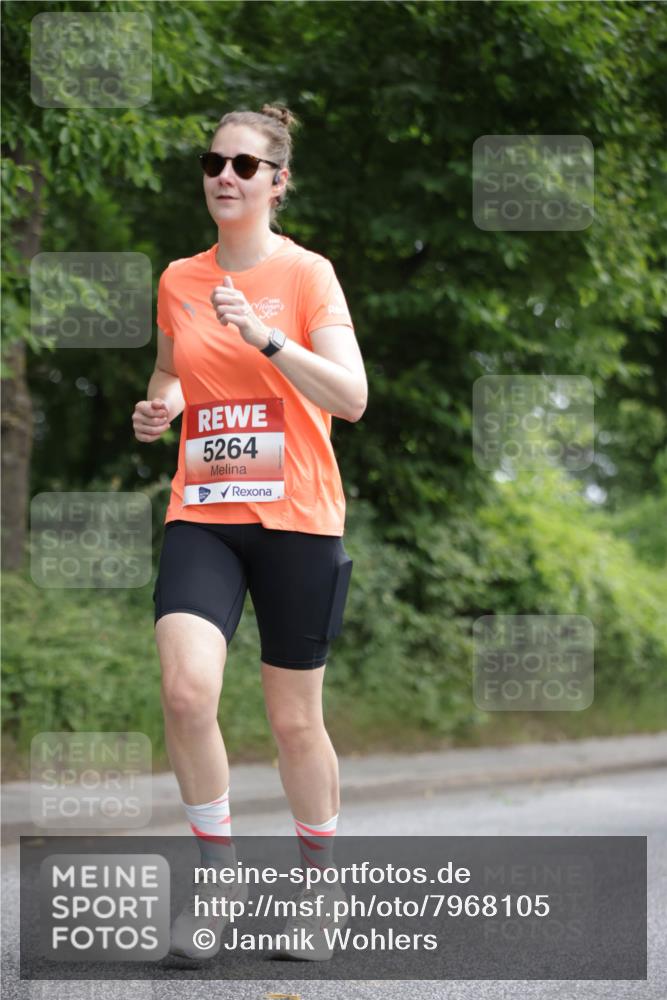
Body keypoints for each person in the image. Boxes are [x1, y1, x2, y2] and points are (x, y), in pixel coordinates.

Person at [132, 103, 367, 961]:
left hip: (298, 518)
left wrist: (266, 336)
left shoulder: (308, 276)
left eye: (242, 164)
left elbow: (351, 396)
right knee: (188, 691)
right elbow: (172, 371)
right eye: (212, 162)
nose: (222, 176)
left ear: (277, 182)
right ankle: (218, 877)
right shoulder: (178, 279)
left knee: (292, 721)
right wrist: (165, 407)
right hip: (205, 511)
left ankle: (318, 888)